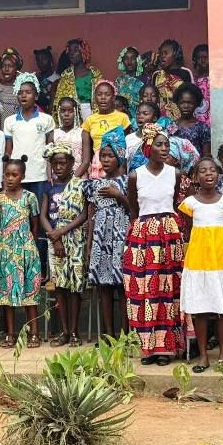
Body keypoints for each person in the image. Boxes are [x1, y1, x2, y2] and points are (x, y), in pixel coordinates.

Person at [123, 123, 185, 365]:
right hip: (143, 236)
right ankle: (147, 348)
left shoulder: (175, 173)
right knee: (145, 291)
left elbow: (175, 202)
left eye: (167, 145)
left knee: (168, 290)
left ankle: (166, 348)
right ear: (148, 147)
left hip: (169, 234)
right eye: (159, 144)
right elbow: (134, 209)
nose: (165, 148)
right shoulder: (135, 175)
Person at [180, 156, 223, 373]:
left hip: (222, 261)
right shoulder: (190, 203)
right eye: (203, 171)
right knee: (199, 310)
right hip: (198, 262)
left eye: (212, 170)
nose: (208, 174)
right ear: (195, 177)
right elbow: (190, 230)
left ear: (218, 175)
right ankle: (203, 357)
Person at [0, 157, 42, 347]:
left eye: (14, 175)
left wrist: (30, 246)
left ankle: (34, 333)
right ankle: (11, 334)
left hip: (26, 250)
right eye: (7, 175)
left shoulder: (30, 197)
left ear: (23, 176)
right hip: (4, 250)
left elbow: (35, 225)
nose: (10, 178)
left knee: (30, 291)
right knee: (6, 292)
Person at [83, 127, 129, 338]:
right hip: (101, 239)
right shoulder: (94, 184)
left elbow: (134, 210)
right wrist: (89, 246)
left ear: (119, 156)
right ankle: (108, 335)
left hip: (122, 238)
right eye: (103, 156)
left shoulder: (129, 181)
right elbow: (91, 214)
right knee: (104, 289)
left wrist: (118, 195)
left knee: (123, 287)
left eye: (110, 156)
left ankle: (126, 334)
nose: (106, 160)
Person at [41, 143, 87, 347]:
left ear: (71, 163)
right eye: (55, 164)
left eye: (62, 163)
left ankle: (75, 331)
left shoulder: (80, 185)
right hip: (55, 241)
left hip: (76, 239)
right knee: (60, 286)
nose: (58, 167)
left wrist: (62, 231)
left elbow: (84, 215)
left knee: (75, 287)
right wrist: (56, 237)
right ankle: (64, 331)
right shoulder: (48, 187)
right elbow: (43, 216)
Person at [4, 72, 55, 202]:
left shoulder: (46, 119)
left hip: (40, 174)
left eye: (28, 92)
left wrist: (50, 174)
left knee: (38, 208)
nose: (23, 95)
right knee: (19, 209)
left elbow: (50, 150)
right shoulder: (10, 121)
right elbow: (8, 152)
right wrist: (6, 176)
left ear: (36, 95)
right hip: (17, 175)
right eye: (20, 92)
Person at [81, 80, 131, 179]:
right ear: (95, 97)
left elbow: (126, 149)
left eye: (107, 95)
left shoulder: (123, 118)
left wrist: (121, 173)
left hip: (117, 166)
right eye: (99, 94)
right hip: (97, 164)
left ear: (113, 98)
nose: (103, 98)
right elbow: (86, 157)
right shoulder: (89, 120)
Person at [52, 38, 103, 120]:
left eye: (75, 50)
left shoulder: (95, 73)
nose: (72, 53)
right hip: (71, 116)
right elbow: (59, 98)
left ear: (83, 52)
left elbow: (102, 95)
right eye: (70, 51)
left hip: (93, 113)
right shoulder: (66, 75)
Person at [152, 39, 194, 119]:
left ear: (175, 54)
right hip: (161, 119)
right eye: (161, 54)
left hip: (181, 118)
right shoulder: (156, 75)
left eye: (166, 53)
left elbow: (191, 97)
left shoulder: (185, 73)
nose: (162, 56)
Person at [173, 82, 211, 156]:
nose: (186, 106)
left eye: (190, 103)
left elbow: (206, 155)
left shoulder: (203, 128)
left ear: (197, 104)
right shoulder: (172, 126)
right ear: (177, 103)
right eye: (182, 102)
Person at [53, 97, 86, 177]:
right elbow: (49, 161)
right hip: (57, 178)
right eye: (63, 111)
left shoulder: (83, 134)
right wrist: (50, 179)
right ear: (58, 113)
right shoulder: (53, 134)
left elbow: (86, 161)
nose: (66, 114)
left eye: (70, 111)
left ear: (75, 112)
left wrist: (73, 179)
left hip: (79, 178)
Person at [114, 46, 146, 121]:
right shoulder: (119, 80)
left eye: (133, 58)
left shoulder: (145, 80)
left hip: (139, 119)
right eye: (126, 58)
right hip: (121, 118)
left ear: (138, 60)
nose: (129, 61)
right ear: (122, 61)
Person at [126, 102, 159, 172]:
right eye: (138, 113)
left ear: (154, 118)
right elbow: (125, 164)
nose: (140, 116)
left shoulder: (160, 138)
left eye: (145, 114)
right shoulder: (128, 138)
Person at [33, 47, 59, 111]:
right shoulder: (35, 79)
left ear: (50, 60)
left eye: (44, 59)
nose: (40, 62)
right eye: (38, 60)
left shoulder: (58, 79)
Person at [192, 44, 211, 125]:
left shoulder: (217, 80)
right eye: (200, 58)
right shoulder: (192, 80)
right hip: (197, 119)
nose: (203, 60)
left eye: (206, 57)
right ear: (195, 60)